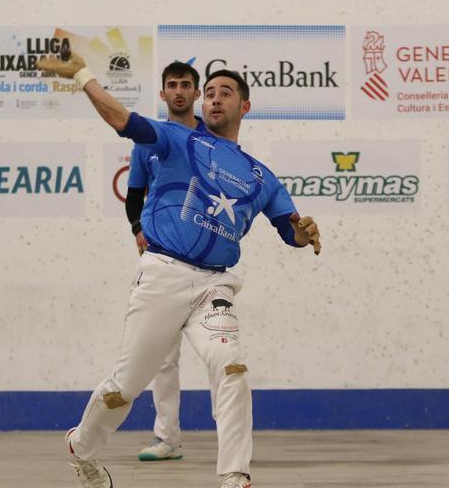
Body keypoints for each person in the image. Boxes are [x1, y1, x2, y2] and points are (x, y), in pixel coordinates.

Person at [38, 52, 322, 488]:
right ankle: (83, 447)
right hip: (162, 272)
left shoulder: (261, 176)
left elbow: (292, 230)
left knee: (231, 365)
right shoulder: (173, 138)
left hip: (215, 283)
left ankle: (234, 475)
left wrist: (304, 232)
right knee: (125, 387)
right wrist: (82, 74)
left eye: (225, 93)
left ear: (244, 106)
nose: (213, 100)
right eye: (208, 94)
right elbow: (120, 118)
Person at [126, 61, 204, 462]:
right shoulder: (148, 140)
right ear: (162, 94)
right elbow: (134, 195)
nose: (178, 91)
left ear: (197, 93)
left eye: (185, 85)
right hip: (162, 261)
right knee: (163, 355)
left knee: (223, 356)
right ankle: (167, 438)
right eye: (171, 85)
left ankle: (236, 443)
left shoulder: (214, 139)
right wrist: (139, 229)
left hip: (208, 267)